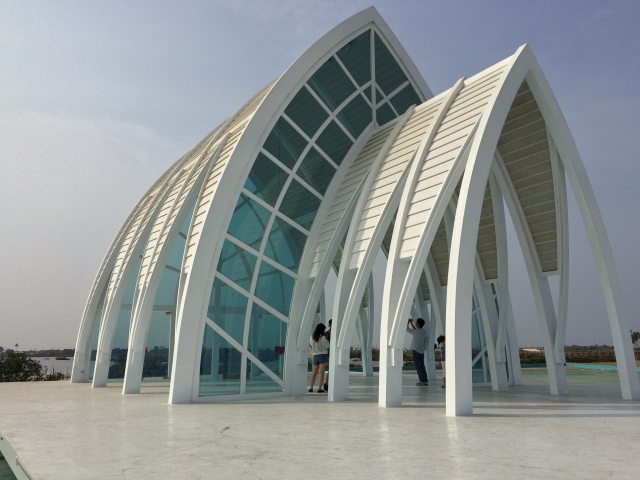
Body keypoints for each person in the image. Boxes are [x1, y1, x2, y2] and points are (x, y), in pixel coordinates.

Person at [407, 318, 428, 386]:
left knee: (418, 367)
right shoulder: (423, 331)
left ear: (418, 324)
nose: (415, 323)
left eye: (416, 322)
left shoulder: (416, 331)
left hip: (416, 351)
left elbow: (407, 329)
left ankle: (422, 381)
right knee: (422, 366)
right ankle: (425, 380)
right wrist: (411, 323)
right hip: (421, 351)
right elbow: (415, 330)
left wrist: (408, 322)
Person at [309, 323, 330, 393]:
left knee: (314, 373)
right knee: (321, 373)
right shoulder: (323, 337)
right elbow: (327, 346)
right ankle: (319, 388)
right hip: (322, 355)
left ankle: (311, 388)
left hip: (315, 355)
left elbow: (311, 344)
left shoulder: (312, 336)